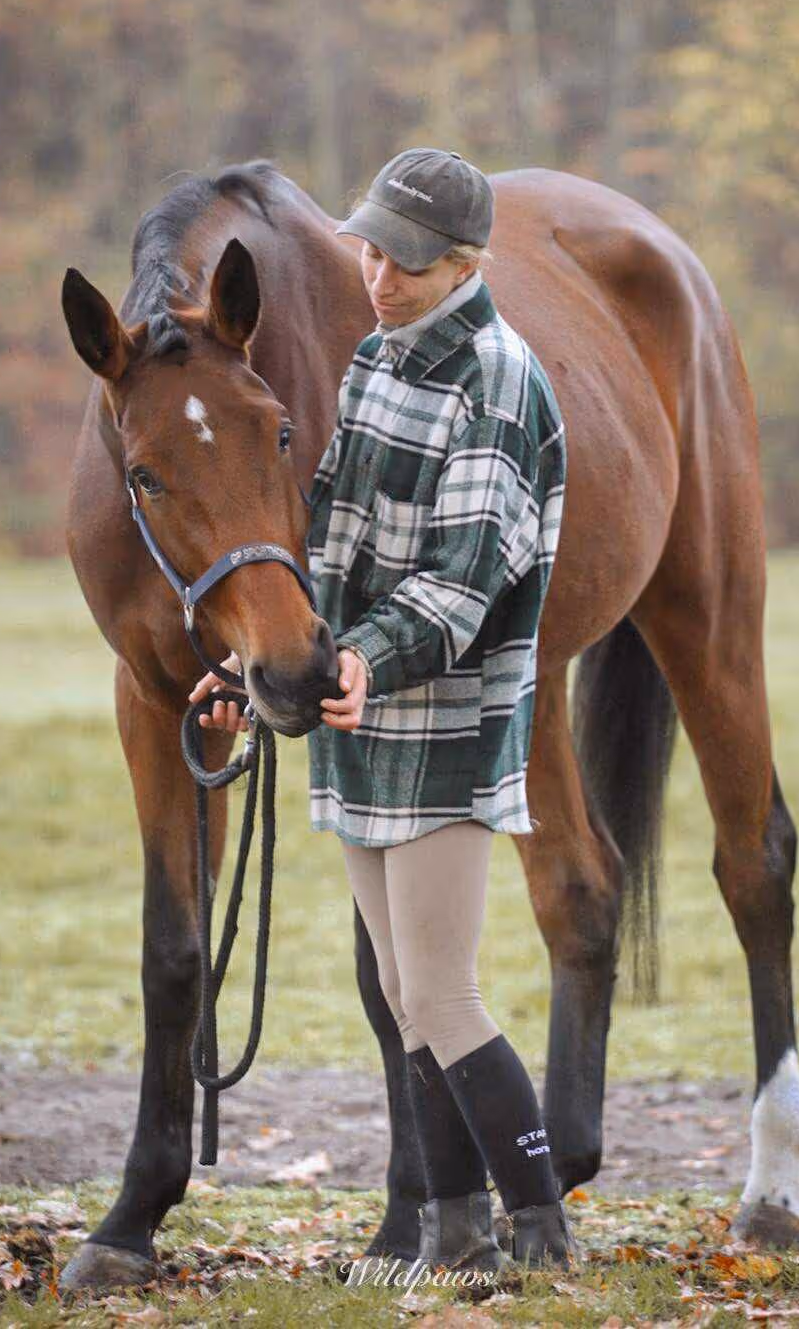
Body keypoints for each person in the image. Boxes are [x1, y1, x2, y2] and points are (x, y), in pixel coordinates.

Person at [190, 146, 575, 1277]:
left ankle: (541, 1227)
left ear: (462, 263)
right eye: (367, 246)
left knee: (445, 993)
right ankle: (456, 1228)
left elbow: (465, 576)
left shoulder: (499, 381)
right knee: (403, 993)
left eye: (402, 260)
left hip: (445, 717)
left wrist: (361, 658)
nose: (374, 272)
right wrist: (262, 667)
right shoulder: (375, 367)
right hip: (356, 717)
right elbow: (338, 537)